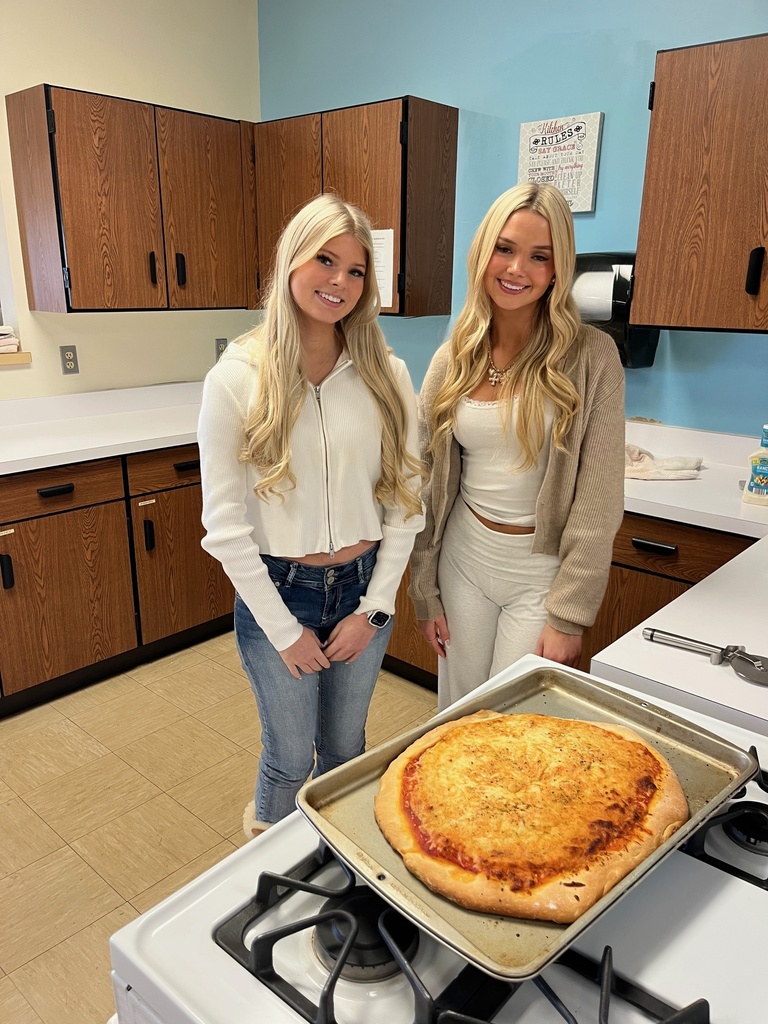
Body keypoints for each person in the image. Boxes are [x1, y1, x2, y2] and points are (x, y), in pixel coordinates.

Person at [198, 193, 425, 836]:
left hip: (362, 589)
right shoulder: (237, 379)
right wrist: (283, 630)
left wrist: (373, 610)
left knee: (347, 749)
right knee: (290, 757)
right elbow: (226, 529)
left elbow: (406, 507)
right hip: (280, 590)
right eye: (326, 260)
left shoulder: (386, 375)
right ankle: (269, 875)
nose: (340, 282)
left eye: (356, 271)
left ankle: (338, 867)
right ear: (290, 260)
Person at [409, 182, 625, 711]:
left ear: (557, 270)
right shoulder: (454, 355)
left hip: (539, 573)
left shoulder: (593, 358)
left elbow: (598, 505)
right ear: (484, 252)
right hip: (463, 557)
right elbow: (422, 482)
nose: (516, 269)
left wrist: (568, 616)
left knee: (511, 720)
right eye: (504, 249)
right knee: (456, 712)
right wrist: (424, 589)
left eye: (539, 257)